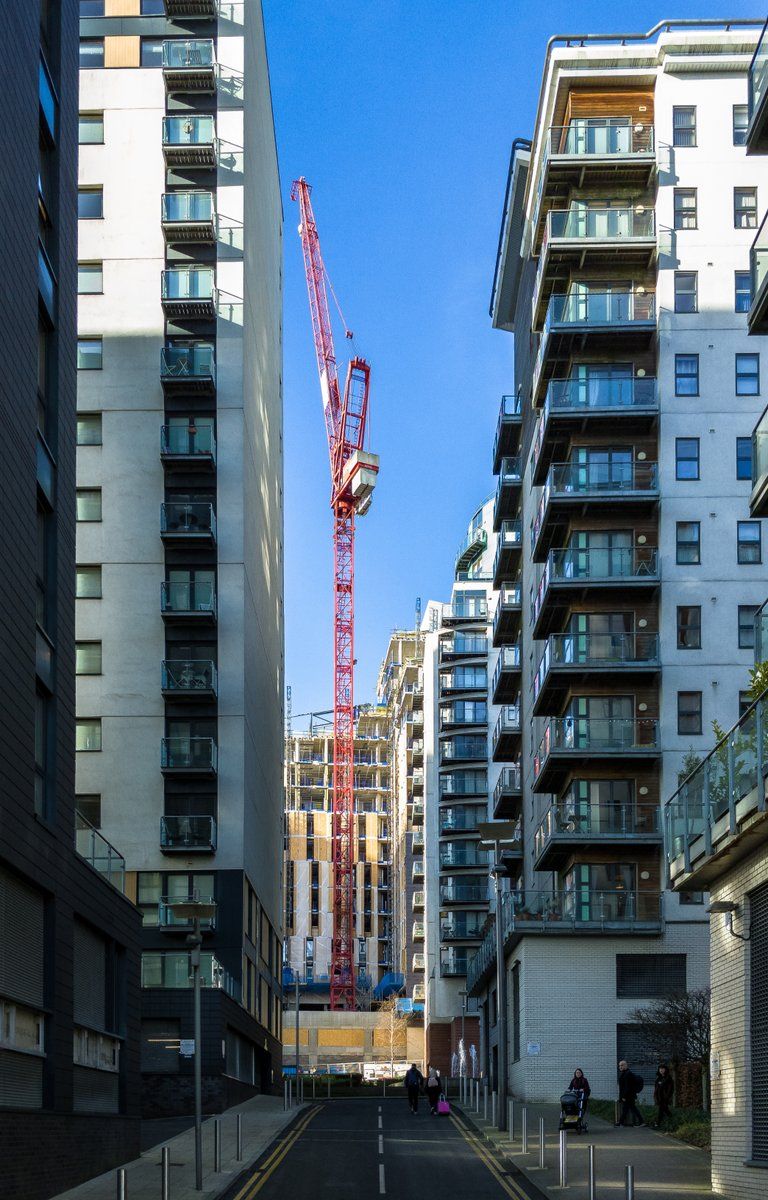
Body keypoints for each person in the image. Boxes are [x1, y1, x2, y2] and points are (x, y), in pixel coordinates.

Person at [616, 1060, 645, 1127]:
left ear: (626, 1065)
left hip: (628, 1096)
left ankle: (621, 1123)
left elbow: (627, 1087)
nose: (620, 1067)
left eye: (622, 1065)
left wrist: (624, 1096)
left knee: (629, 1109)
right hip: (629, 1096)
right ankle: (621, 1123)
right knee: (629, 1109)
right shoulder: (625, 1073)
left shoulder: (628, 1074)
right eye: (619, 1065)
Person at [653, 1063, 674, 1128]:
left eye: (662, 1068)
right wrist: (655, 1096)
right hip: (659, 1097)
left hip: (665, 1098)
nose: (661, 1070)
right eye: (660, 1069)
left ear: (665, 1069)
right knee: (665, 1110)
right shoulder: (658, 1078)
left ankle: (658, 1124)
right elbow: (656, 1088)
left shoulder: (668, 1078)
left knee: (661, 1110)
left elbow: (670, 1089)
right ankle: (672, 1119)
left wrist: (667, 1097)